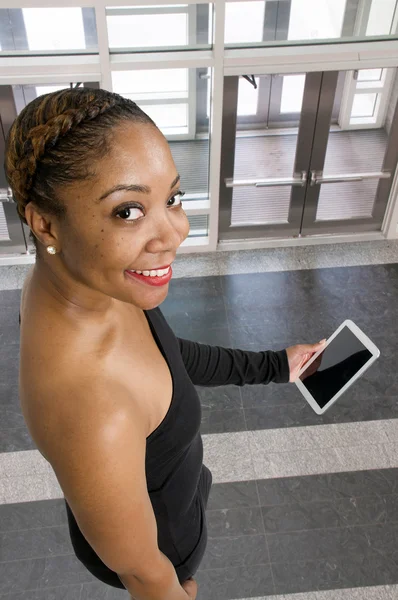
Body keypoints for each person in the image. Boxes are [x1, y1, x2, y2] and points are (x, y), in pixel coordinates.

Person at [5, 87, 325, 600]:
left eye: (171, 198)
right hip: (168, 546)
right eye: (128, 211)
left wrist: (273, 365)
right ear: (45, 223)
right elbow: (142, 571)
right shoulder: (95, 413)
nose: (176, 232)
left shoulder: (79, 281)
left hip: (162, 491)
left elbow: (166, 355)